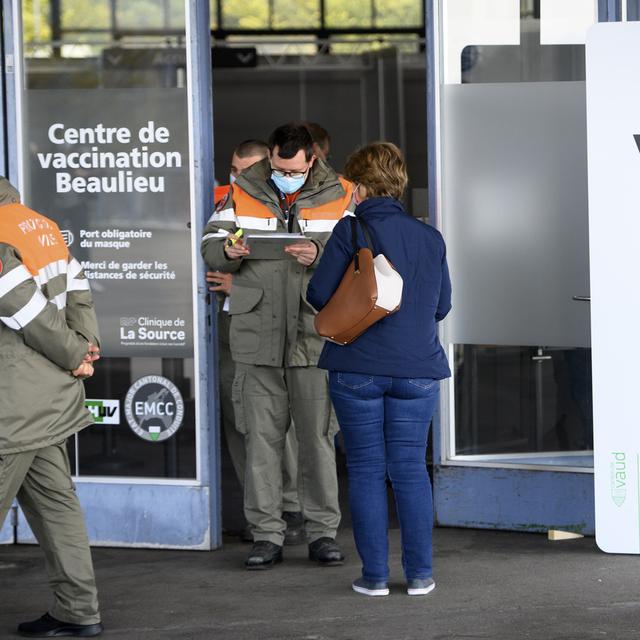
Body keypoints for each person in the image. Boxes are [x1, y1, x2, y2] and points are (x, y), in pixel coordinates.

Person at [201, 122, 354, 569]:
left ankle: (322, 533)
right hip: (258, 336)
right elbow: (210, 244)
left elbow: (361, 251)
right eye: (278, 166)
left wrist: (319, 253)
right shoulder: (243, 188)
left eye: (293, 168)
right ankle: (266, 535)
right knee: (261, 442)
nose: (284, 174)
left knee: (317, 440)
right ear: (270, 155)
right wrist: (230, 251)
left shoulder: (341, 193)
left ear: (312, 159)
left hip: (313, 336)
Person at [307, 143, 452, 597]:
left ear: (362, 186)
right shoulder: (430, 238)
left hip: (358, 370)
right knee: (410, 469)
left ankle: (374, 578)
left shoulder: (350, 232)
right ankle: (420, 575)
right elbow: (442, 306)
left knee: (368, 469)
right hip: (417, 370)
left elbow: (318, 295)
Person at [0, 176, 103, 636]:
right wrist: (84, 347)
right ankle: (78, 611)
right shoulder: (36, 225)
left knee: (56, 507)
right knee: (57, 508)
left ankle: (78, 611)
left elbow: (21, 309)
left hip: (11, 402)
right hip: (46, 397)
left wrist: (72, 353)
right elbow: (79, 292)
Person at [207, 139, 305, 545]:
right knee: (239, 421)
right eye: (233, 169)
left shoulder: (290, 208)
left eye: (244, 170)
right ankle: (260, 510)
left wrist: (239, 286)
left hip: (278, 332)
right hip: (234, 331)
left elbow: (295, 274)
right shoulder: (227, 205)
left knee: (283, 423)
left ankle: (291, 506)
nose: (236, 178)